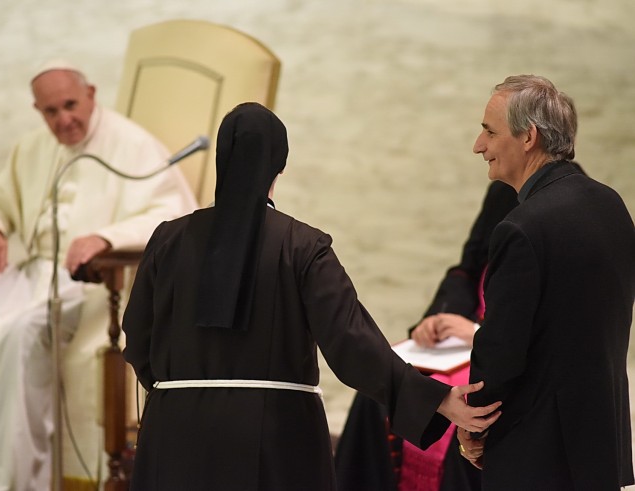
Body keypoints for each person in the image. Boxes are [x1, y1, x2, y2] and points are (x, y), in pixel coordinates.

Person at [122, 102, 503, 491]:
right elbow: (351, 344)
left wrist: (183, 392)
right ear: (280, 165)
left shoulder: (167, 241)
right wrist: (436, 399)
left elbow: (137, 338)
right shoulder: (303, 246)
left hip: (174, 432)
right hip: (275, 436)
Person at [0, 62, 197, 491]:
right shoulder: (34, 147)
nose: (63, 119)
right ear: (39, 111)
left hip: (92, 283)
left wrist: (106, 238)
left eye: (70, 105)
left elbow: (174, 214)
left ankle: (10, 479)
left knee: (18, 333)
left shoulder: (133, 145)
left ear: (90, 93)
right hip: (31, 273)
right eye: (50, 112)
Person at [459, 75, 635, 490]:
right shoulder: (611, 205)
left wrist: (476, 422)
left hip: (536, 452)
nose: (478, 145)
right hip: (602, 441)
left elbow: (501, 349)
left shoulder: (521, 228)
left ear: (528, 137)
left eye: (489, 130)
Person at [333, 180, 517, 491]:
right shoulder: (505, 189)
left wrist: (478, 333)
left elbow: (552, 326)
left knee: (460, 411)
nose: (480, 146)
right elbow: (468, 269)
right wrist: (438, 318)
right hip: (461, 347)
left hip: (502, 358)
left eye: (489, 131)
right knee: (378, 395)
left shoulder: (563, 208)